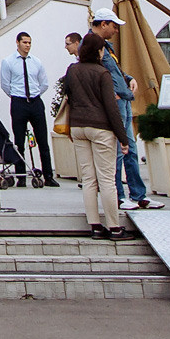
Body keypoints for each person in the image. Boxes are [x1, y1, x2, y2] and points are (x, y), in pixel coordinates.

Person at [59, 35, 131, 237]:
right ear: (98, 51)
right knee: (107, 179)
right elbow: (111, 108)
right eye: (102, 50)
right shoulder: (102, 73)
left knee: (89, 178)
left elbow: (68, 97)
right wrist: (123, 138)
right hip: (101, 128)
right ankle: (115, 227)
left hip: (78, 127)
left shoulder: (72, 70)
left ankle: (95, 225)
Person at [89, 9, 153, 211]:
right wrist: (108, 93)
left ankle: (138, 195)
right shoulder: (92, 45)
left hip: (122, 99)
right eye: (114, 26)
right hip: (115, 102)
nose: (116, 30)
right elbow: (93, 72)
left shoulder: (107, 46)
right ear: (103, 24)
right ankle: (119, 195)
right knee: (117, 150)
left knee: (129, 148)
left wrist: (128, 78)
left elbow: (113, 70)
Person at [0, 31, 58, 187]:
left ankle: (48, 175)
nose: (27, 46)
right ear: (17, 43)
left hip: (35, 102)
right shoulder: (8, 61)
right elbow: (5, 84)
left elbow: (43, 83)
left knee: (42, 140)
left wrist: (34, 96)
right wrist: (18, 96)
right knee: (19, 141)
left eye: (29, 43)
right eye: (25, 42)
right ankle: (21, 176)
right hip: (19, 102)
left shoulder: (36, 61)